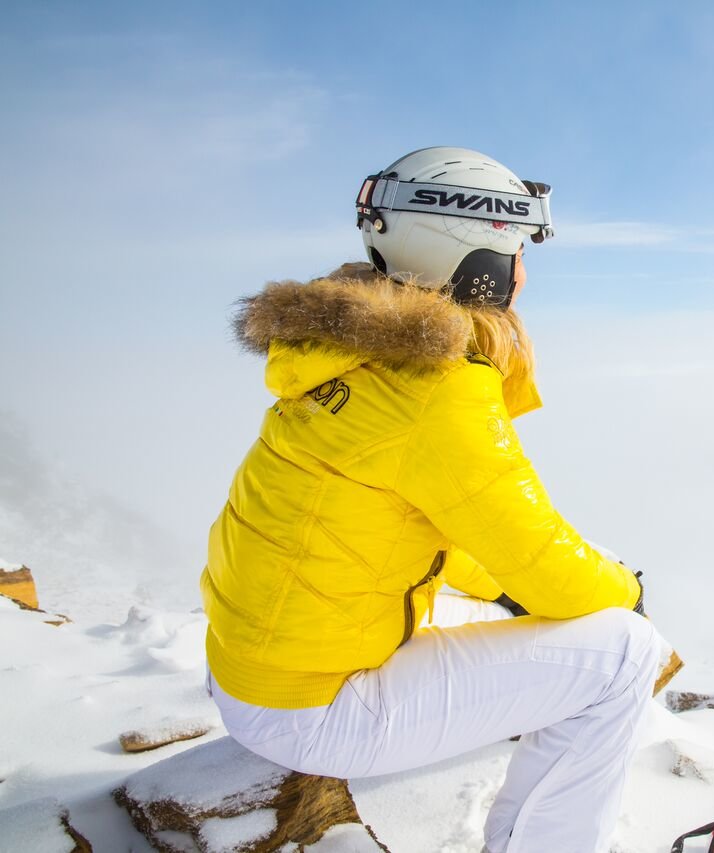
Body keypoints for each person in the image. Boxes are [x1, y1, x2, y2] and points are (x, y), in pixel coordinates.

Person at [200, 147, 663, 852]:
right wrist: (623, 590)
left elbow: (425, 527)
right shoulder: (435, 389)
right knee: (627, 651)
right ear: (473, 261)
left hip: (255, 669)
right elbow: (538, 555)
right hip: (306, 709)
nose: (524, 275)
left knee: (506, 605)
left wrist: (508, 587)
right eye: (514, 253)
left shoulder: (353, 356)